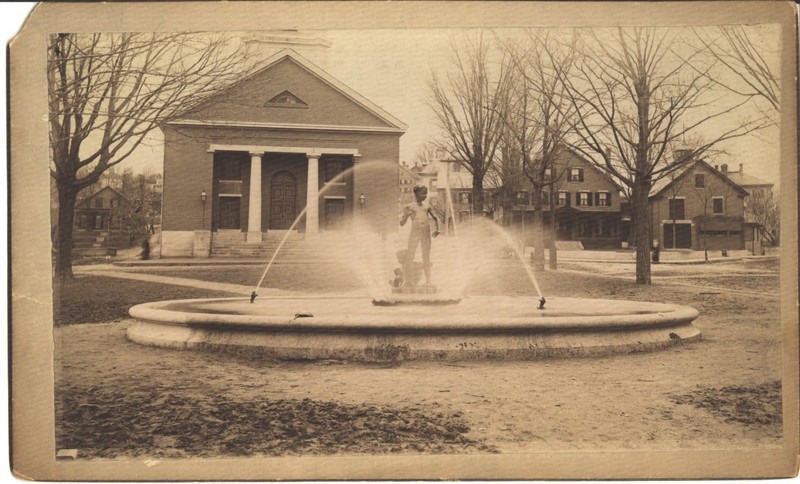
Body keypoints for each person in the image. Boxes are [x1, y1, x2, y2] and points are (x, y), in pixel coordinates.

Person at [399, 186, 440, 286]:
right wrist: (407, 216)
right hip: (415, 232)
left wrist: (437, 229)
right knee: (410, 256)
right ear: (416, 194)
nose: (425, 196)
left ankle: (428, 281)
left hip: (426, 232)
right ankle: (407, 280)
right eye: (423, 193)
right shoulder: (409, 207)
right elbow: (401, 223)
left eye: (426, 193)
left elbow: (435, 218)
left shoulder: (427, 206)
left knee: (426, 256)